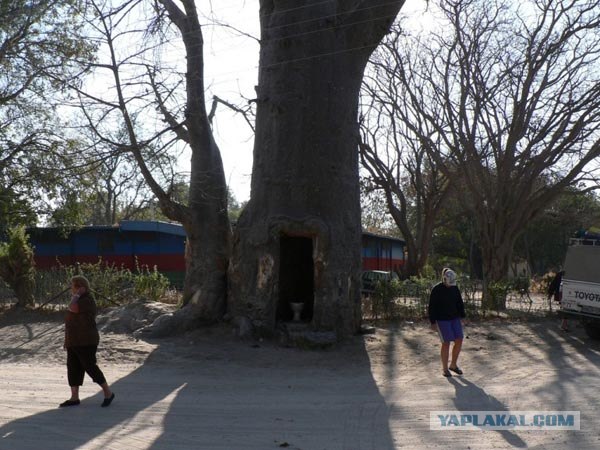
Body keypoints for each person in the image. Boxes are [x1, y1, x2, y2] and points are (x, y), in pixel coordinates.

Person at [60, 275, 115, 408]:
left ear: (80, 287)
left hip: (86, 340)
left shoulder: (87, 299)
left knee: (90, 366)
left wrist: (76, 296)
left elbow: (73, 308)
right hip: (73, 340)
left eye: (73, 286)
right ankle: (74, 397)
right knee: (73, 367)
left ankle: (108, 393)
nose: (71, 289)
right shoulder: (78, 299)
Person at [428, 268, 466, 378]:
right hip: (442, 320)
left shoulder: (455, 288)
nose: (451, 285)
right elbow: (432, 307)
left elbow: (459, 302)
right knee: (446, 342)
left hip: (455, 318)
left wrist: (462, 316)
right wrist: (433, 322)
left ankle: (453, 365)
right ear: (444, 279)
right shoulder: (436, 289)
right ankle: (445, 369)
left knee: (459, 339)